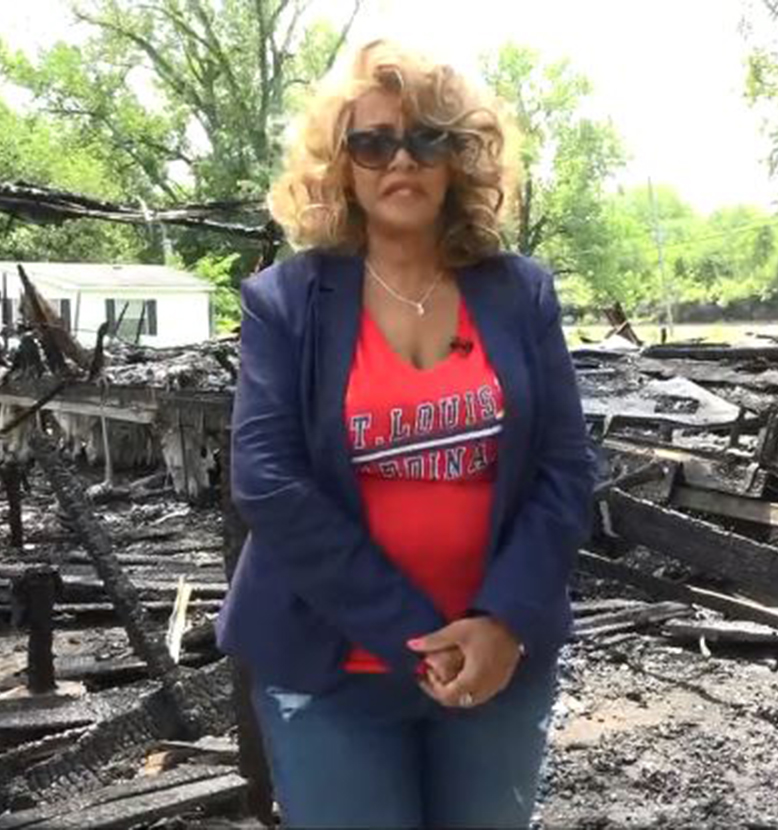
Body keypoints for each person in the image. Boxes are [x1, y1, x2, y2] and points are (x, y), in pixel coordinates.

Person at [215, 39, 595, 829]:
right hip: (330, 670)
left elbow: (563, 470)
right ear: (340, 163)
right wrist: (417, 637)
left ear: (458, 158)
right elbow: (266, 481)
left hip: (496, 667)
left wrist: (501, 626)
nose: (402, 160)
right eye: (373, 140)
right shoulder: (284, 302)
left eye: (427, 138)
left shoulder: (520, 293)